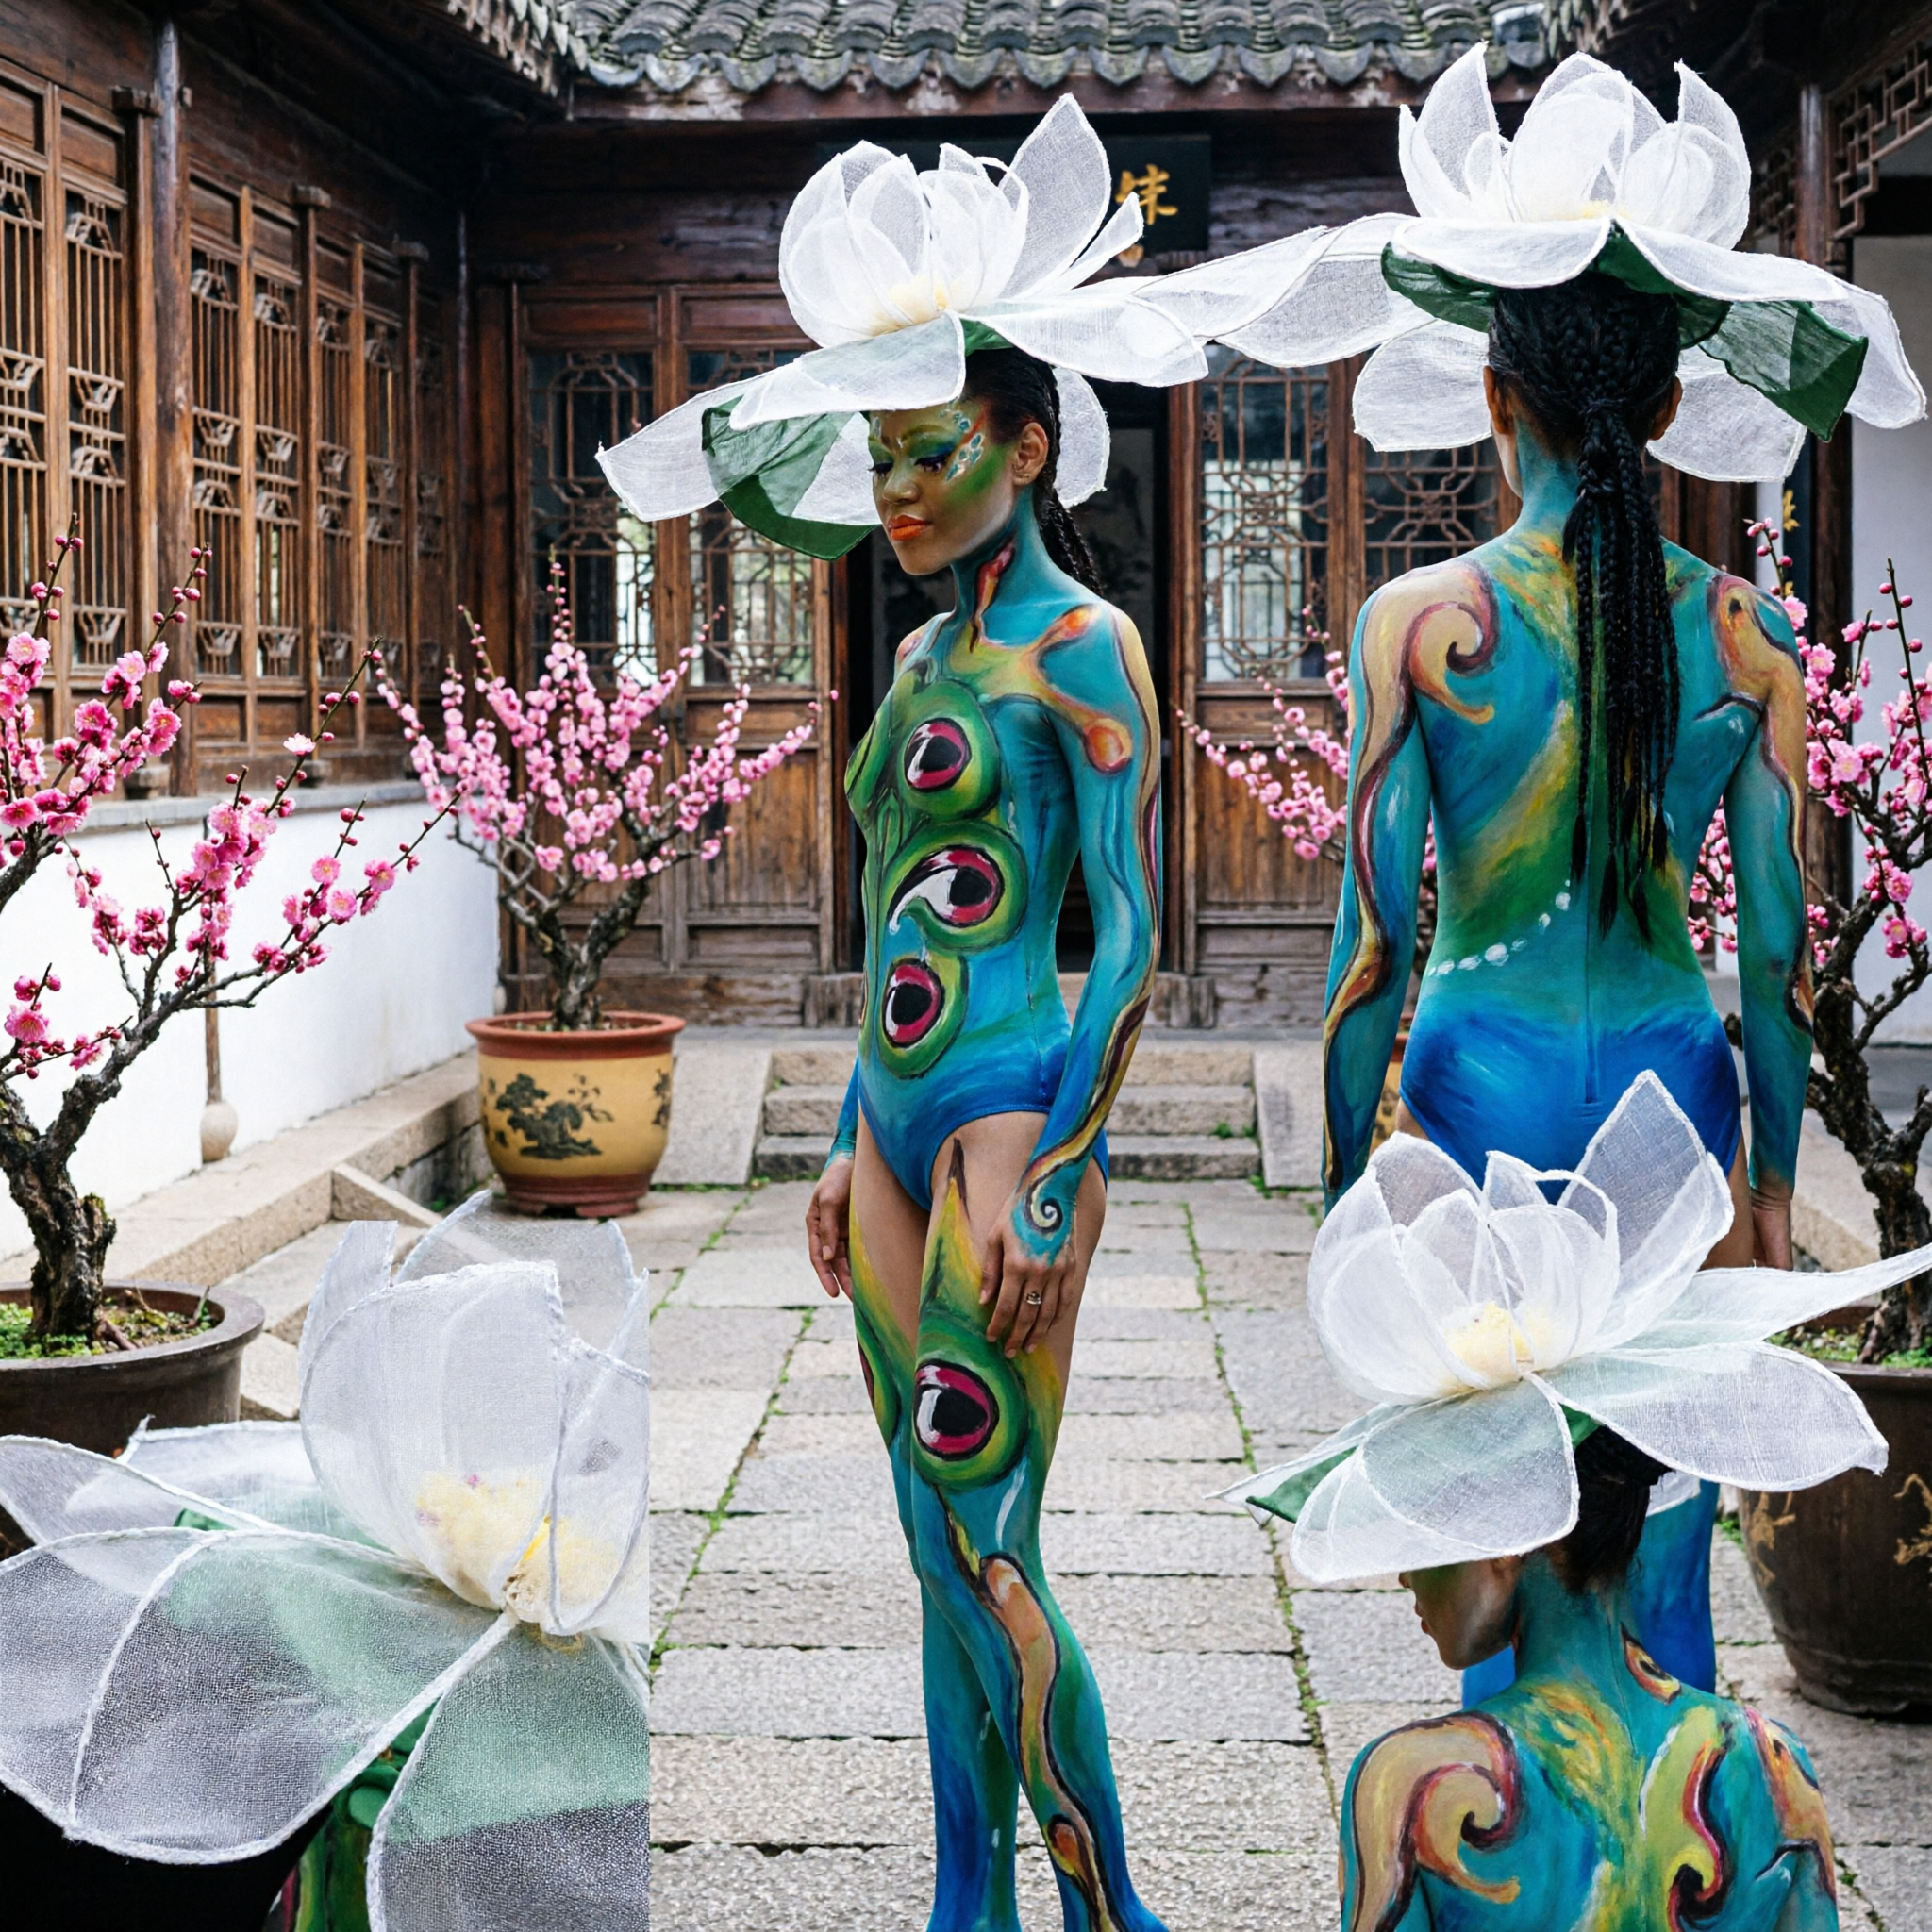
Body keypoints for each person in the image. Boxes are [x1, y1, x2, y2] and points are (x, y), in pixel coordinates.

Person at [1148, 42, 1924, 1702]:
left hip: (1474, 1083)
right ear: (1659, 405)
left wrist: (1353, 1183)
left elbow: (1370, 950)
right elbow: (1780, 971)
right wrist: (1772, 1195)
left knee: (1492, 1498)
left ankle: (1512, 1793)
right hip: (1670, 1082)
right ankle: (1667, 1803)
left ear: (1492, 395)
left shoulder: (1414, 629)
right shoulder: (1743, 638)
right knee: (1660, 1498)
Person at [599, 99, 1203, 1932]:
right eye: (877, 462)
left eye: (931, 451)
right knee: (927, 1551)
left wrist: (1058, 1177)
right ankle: (968, 1901)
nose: (901, 492)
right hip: (887, 1125)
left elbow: (1137, 938)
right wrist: (848, 1131)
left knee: (986, 1540)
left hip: (1016, 1112)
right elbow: (889, 924)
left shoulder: (1085, 650)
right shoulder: (922, 657)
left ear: (1028, 442)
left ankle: (1108, 1906)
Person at [1229, 1074, 1927, 1931]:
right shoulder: (1766, 1768)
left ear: (1502, 1538)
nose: (1404, 1575)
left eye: (1426, 1526)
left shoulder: (1415, 1791)